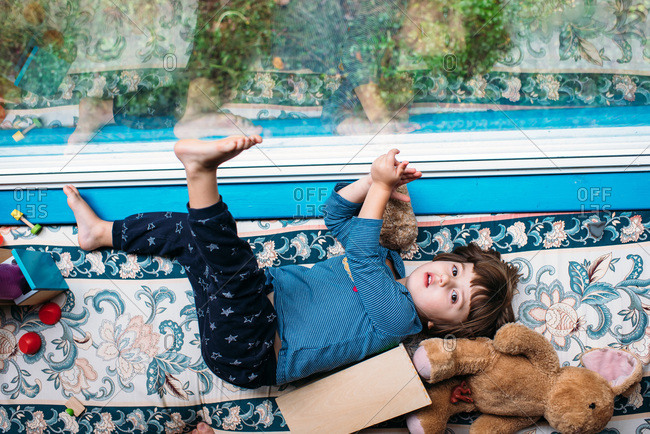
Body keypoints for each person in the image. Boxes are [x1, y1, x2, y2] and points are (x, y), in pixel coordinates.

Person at [63, 135, 518, 395]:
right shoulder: (388, 259)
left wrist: (381, 189)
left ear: (441, 326)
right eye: (455, 271)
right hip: (251, 305)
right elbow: (336, 214)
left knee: (233, 265)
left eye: (453, 298)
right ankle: (100, 234)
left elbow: (358, 248)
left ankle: (201, 172)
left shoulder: (400, 320)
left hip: (254, 350)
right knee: (193, 237)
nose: (445, 281)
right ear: (444, 259)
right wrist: (372, 181)